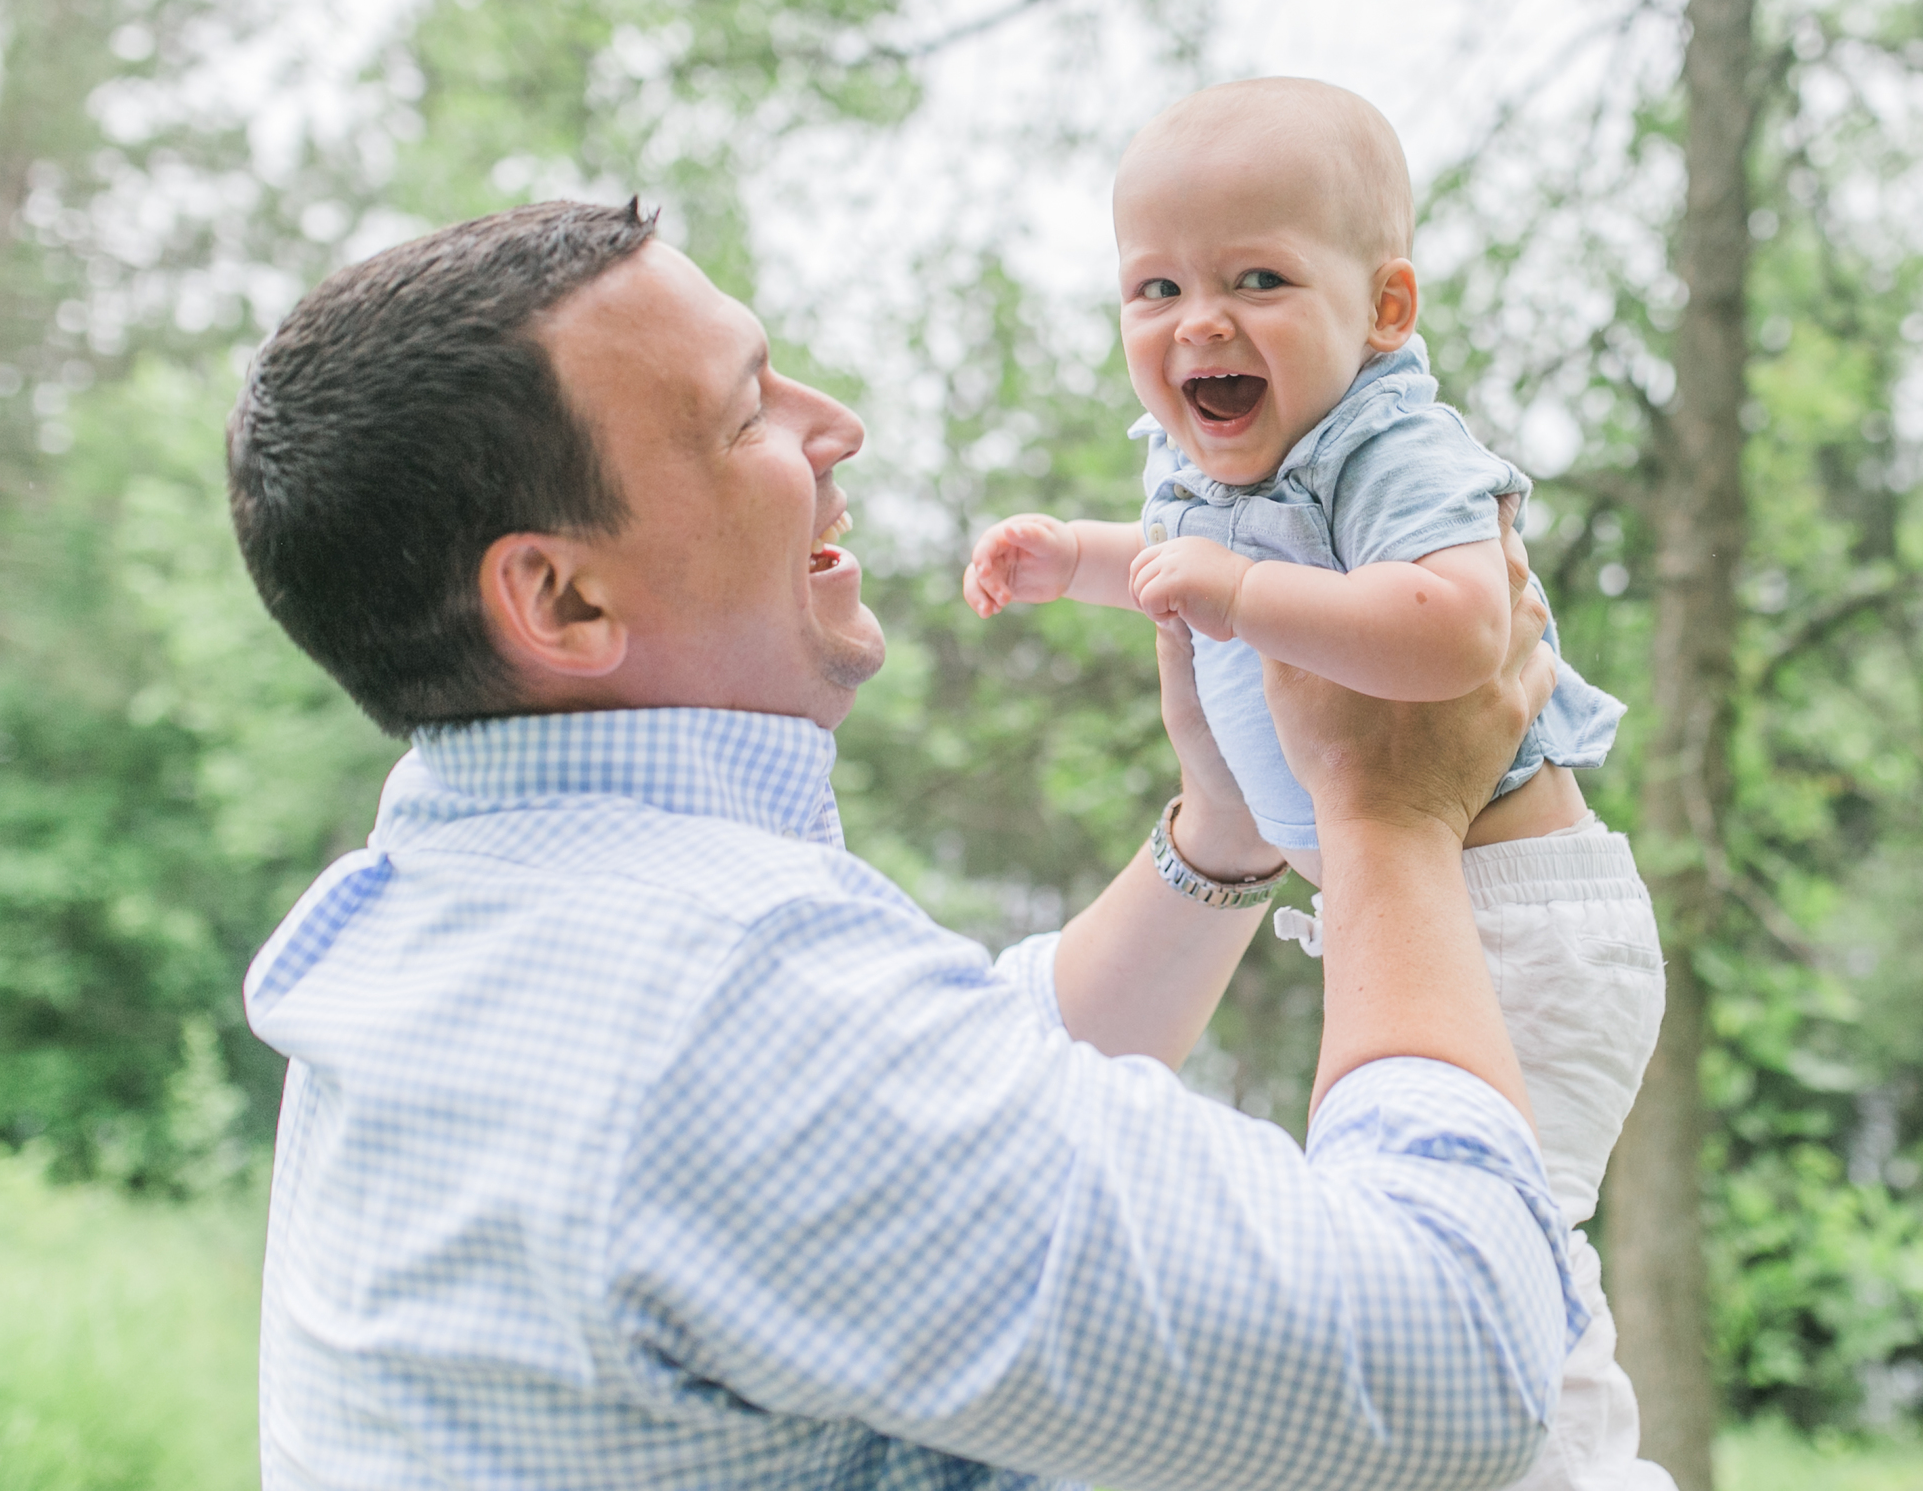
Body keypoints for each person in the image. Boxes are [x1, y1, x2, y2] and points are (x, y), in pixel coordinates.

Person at [227, 197, 1583, 1490]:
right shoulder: (730, 1000)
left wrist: (1220, 838)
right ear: (563, 596)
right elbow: (1461, 1359)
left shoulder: (424, 922)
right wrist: (1390, 817)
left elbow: (943, 1089)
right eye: (747, 410)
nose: (838, 427)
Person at [964, 78, 1672, 1491]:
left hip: (1514, 910)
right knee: (1445, 1238)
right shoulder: (1208, 454)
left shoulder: (1390, 445)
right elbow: (1170, 559)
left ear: (1386, 309)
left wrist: (1244, 588)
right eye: (1154, 286)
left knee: (1493, 1259)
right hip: (1416, 889)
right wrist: (1074, 561)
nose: (1198, 322)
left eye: (1258, 279)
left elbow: (1462, 627)